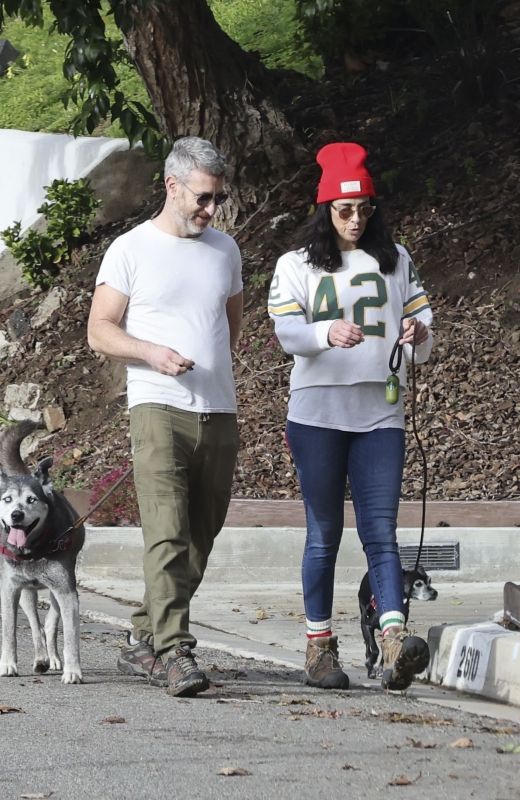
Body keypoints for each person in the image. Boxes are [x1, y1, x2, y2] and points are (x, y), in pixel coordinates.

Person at [268, 142, 433, 691]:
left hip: (380, 412)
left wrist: (419, 333)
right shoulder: (295, 265)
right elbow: (287, 331)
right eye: (344, 210)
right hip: (317, 412)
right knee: (324, 535)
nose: (357, 219)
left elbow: (422, 320)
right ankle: (319, 647)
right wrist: (324, 332)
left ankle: (393, 642)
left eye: (365, 207)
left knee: (382, 534)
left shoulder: (397, 258)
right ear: (324, 210)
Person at [87, 136, 242, 697]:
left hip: (218, 408)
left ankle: (142, 638)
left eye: (216, 199)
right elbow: (99, 329)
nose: (210, 209)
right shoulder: (131, 249)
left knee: (202, 532)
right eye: (202, 197)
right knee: (167, 531)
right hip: (157, 406)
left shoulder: (226, 250)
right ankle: (176, 652)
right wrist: (153, 354)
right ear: (172, 186)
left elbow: (231, 324)